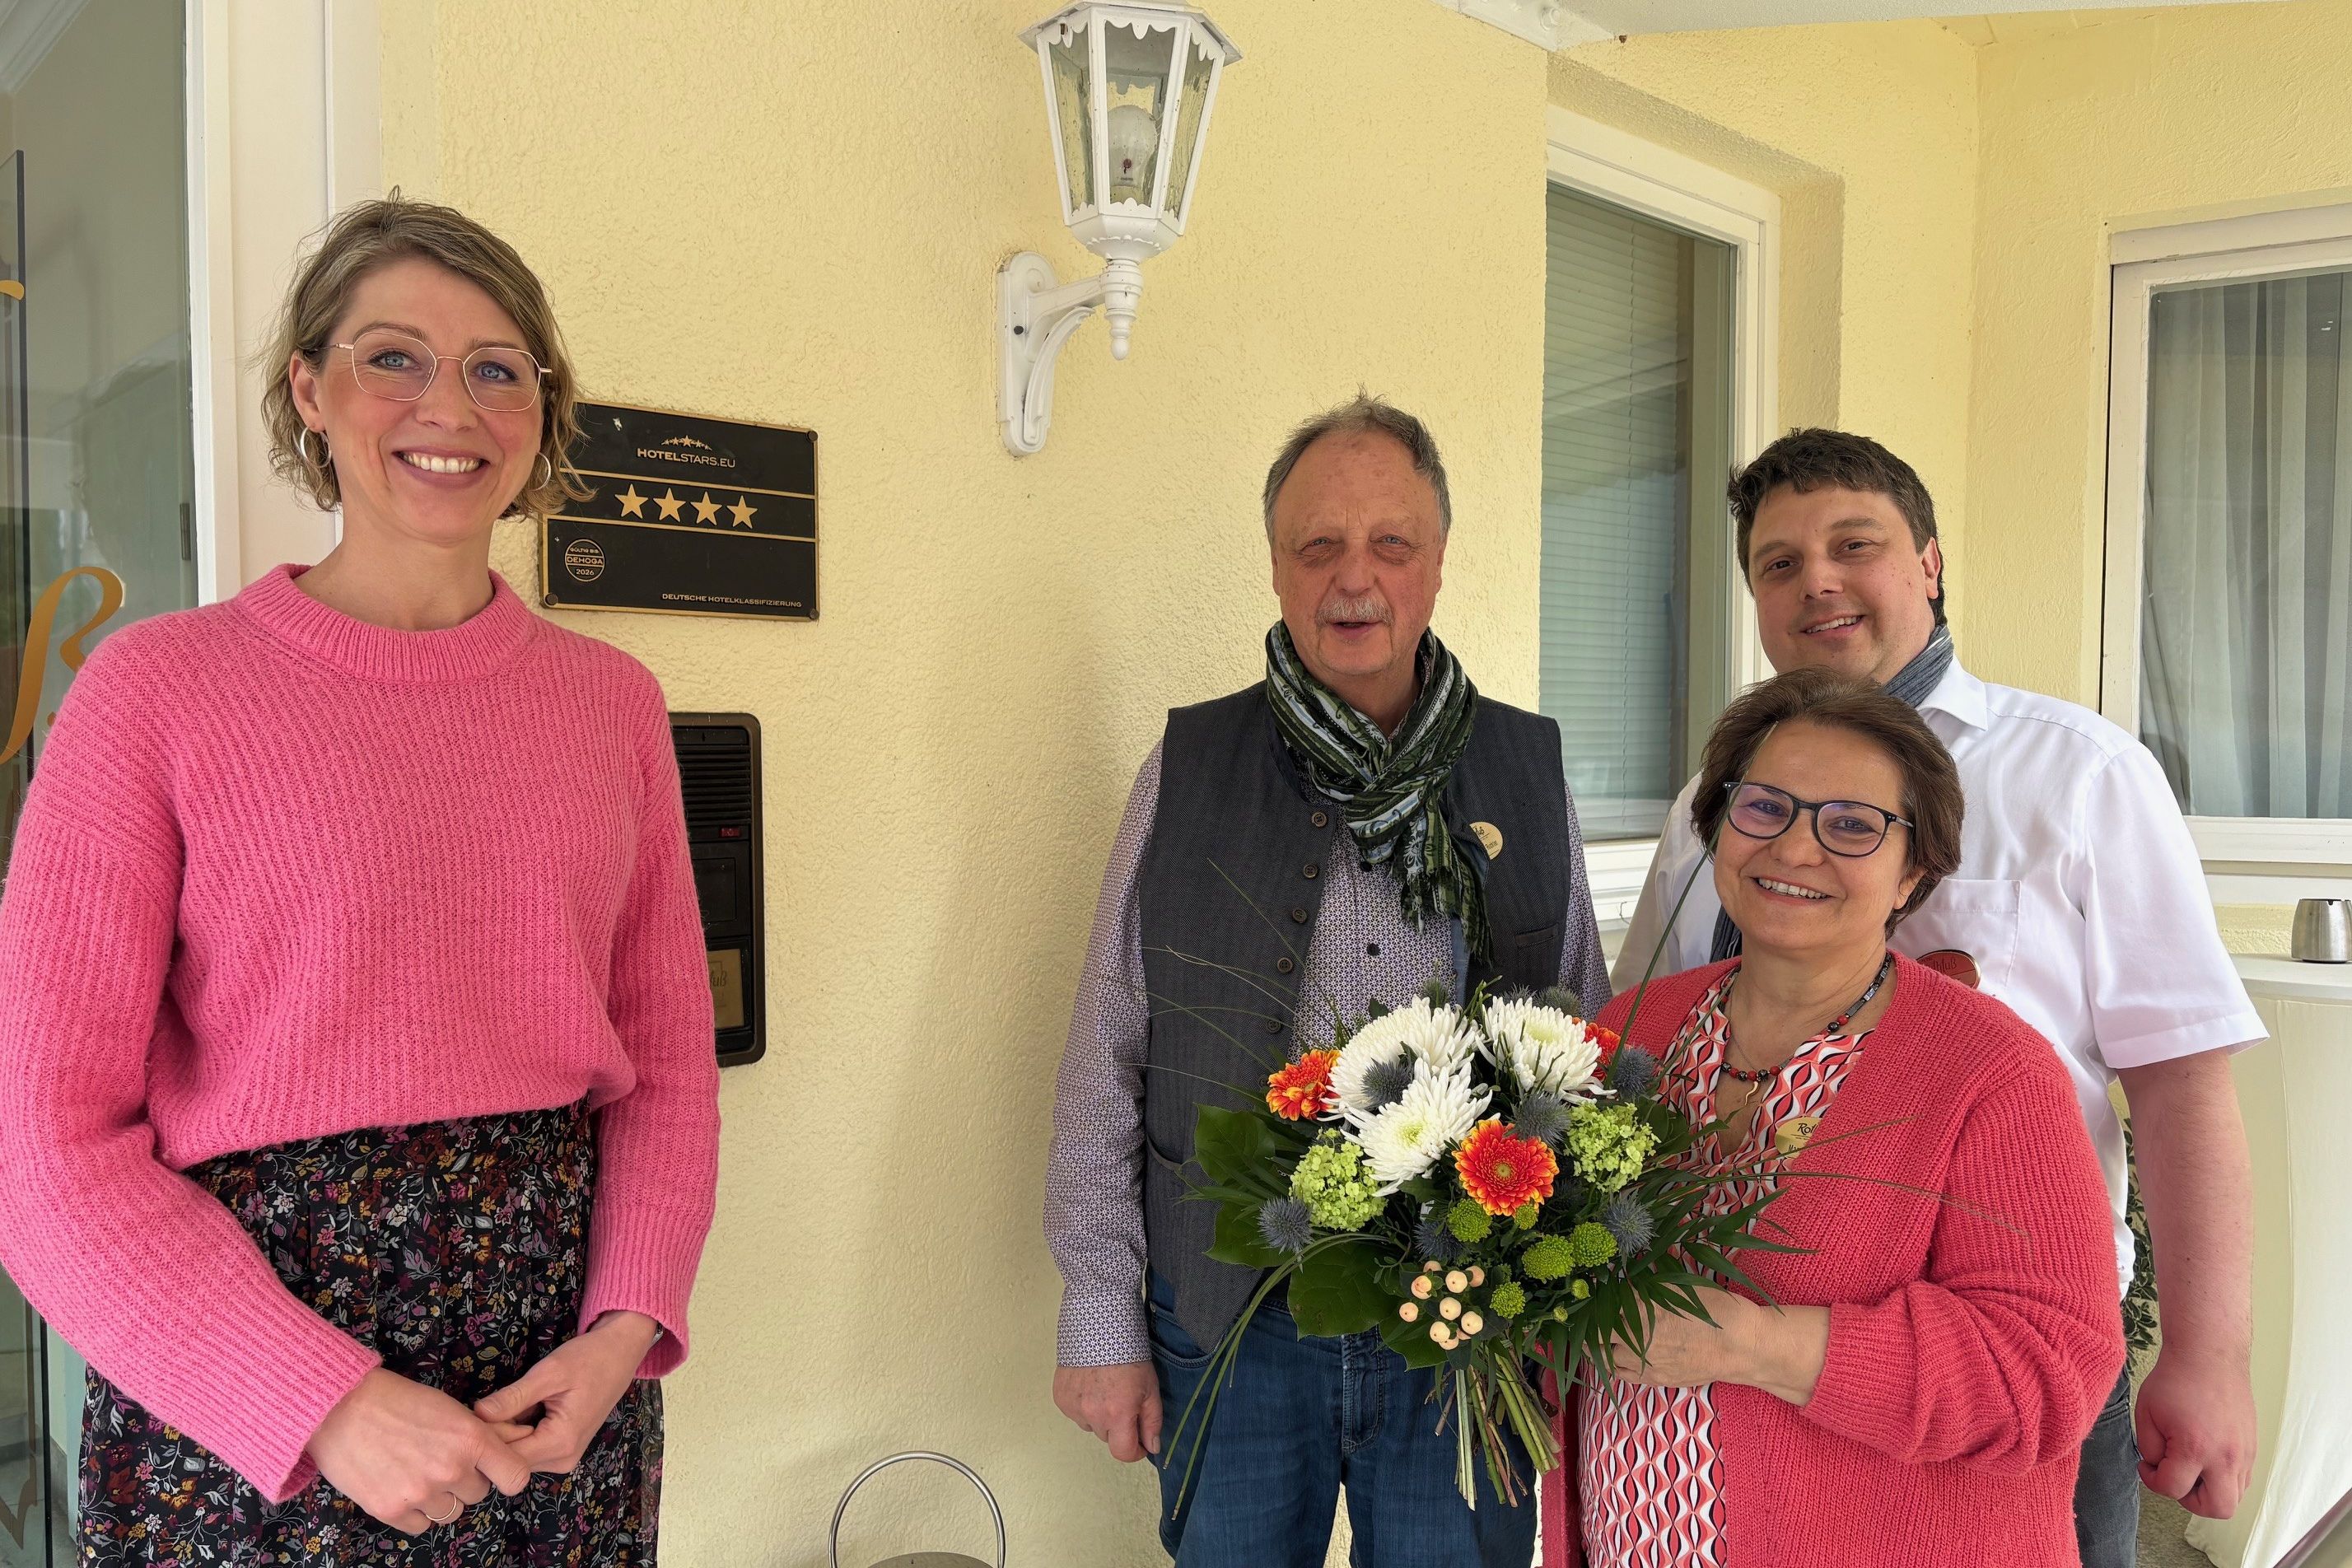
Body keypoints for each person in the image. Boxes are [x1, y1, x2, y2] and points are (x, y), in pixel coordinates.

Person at [0, 195, 721, 1564]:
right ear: (309, 390)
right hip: (243, 1374)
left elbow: (668, 1063)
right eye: (394, 355)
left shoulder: (610, 703)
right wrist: (317, 1395)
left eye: (497, 366)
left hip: (552, 1384)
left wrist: (626, 1320)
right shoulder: (154, 692)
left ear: (540, 412)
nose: (447, 403)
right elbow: (42, 1147)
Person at [1616, 429, 2259, 1565]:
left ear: (1929, 564)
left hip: (1990, 1358)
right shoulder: (1709, 804)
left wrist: (2208, 1356)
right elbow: (1650, 1045)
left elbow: (2179, 1081)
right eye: (1778, 563)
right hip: (1702, 1355)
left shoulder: (2083, 776)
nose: (1816, 579)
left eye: (1852, 544)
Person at [1044, 394, 1612, 1566]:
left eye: (1390, 544)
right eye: (1320, 546)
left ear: (1439, 565)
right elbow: (1108, 1051)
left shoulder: (1526, 764)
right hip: (1231, 1318)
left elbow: (1580, 1039)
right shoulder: (1188, 768)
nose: (1355, 578)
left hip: (1465, 1317)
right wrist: (1101, 1316)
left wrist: (1568, 1305)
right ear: (1276, 567)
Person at [1585, 667, 2123, 1566]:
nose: (1796, 848)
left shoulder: (1992, 1073)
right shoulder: (1629, 1031)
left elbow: (2049, 1372)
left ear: (1914, 868)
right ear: (1719, 825)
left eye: (1851, 824)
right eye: (1765, 806)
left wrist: (1755, 1342)